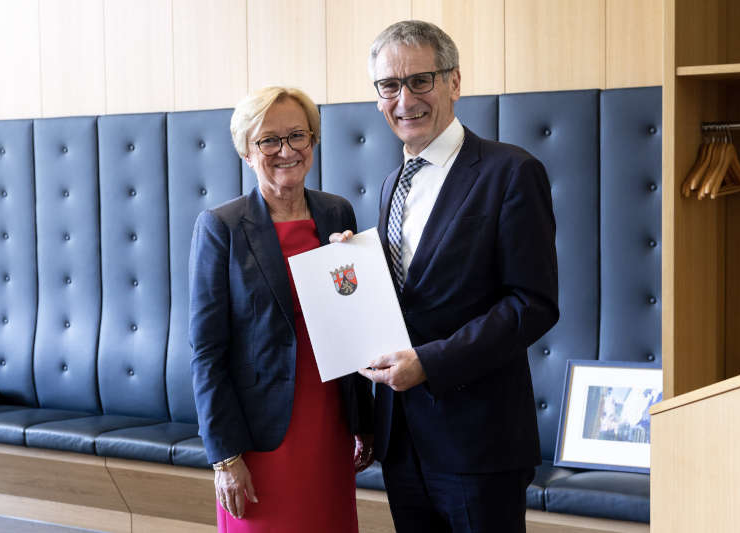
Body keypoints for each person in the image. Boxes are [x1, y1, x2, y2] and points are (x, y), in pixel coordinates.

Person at [333, 20, 559, 532]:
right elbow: (408, 298)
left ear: (454, 83)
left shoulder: (511, 172)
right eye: (389, 86)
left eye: (420, 80)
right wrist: (353, 268)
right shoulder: (392, 183)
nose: (404, 99)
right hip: (401, 439)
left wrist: (430, 364)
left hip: (479, 440)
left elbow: (533, 304)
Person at [189, 86, 374, 533]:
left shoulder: (336, 212)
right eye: (268, 140)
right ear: (247, 153)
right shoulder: (221, 227)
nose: (286, 150)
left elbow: (356, 323)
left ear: (312, 141)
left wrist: (366, 422)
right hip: (259, 440)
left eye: (297, 135)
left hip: (331, 426)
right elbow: (206, 352)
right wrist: (225, 457)